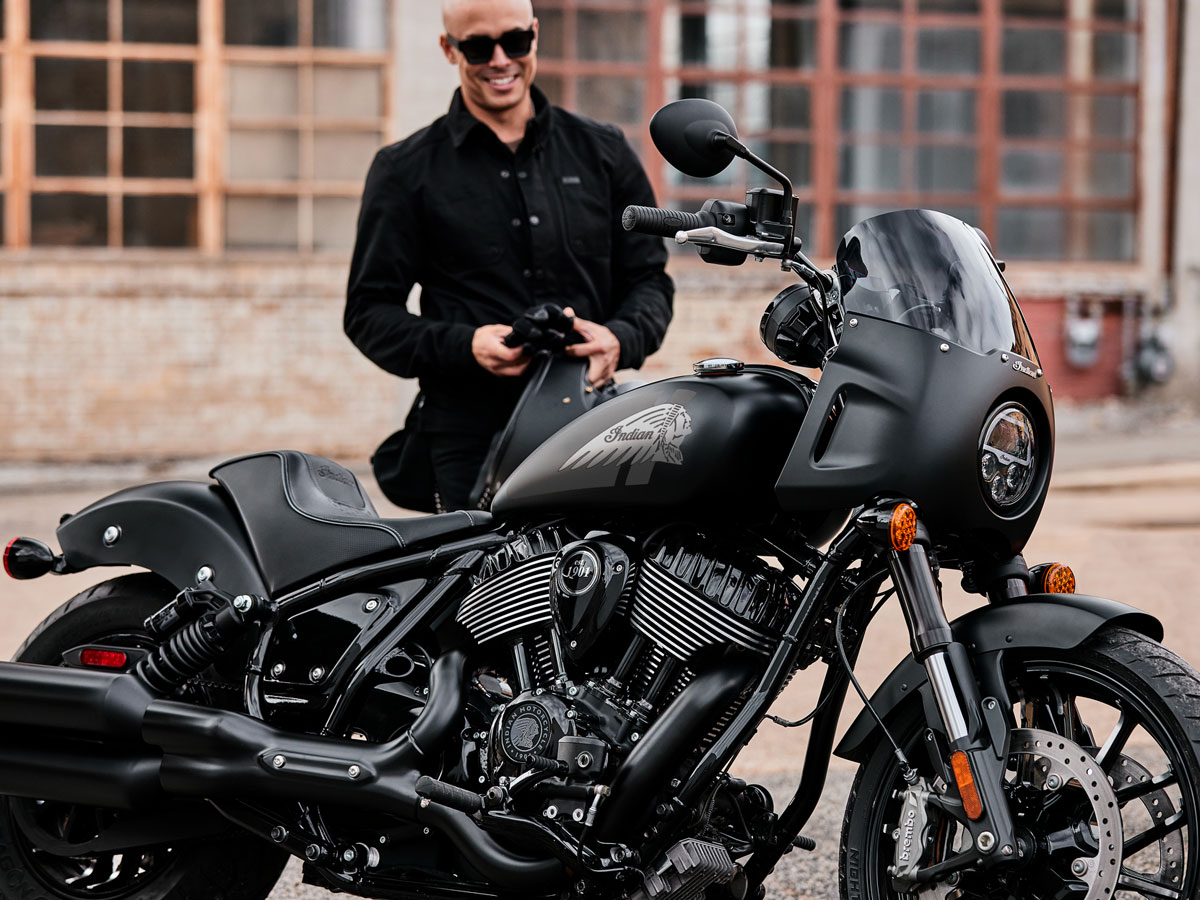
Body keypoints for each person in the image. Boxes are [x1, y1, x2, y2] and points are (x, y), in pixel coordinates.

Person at [344, 0, 673, 513]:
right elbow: (367, 314)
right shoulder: (403, 170)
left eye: (515, 41)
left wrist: (619, 339)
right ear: (448, 49)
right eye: (478, 47)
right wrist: (466, 346)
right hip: (467, 438)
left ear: (535, 35)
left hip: (592, 423)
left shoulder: (604, 151)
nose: (500, 60)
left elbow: (650, 280)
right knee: (483, 568)